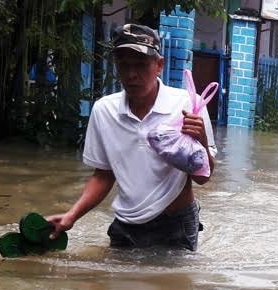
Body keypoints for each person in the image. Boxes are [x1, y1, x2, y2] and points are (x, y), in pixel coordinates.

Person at [47, 23, 217, 251]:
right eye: (123, 65)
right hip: (126, 223)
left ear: (159, 65)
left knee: (171, 286)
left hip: (175, 225)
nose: (131, 75)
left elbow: (203, 178)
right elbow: (103, 175)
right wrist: (71, 216)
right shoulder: (104, 111)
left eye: (141, 64)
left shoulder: (187, 105)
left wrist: (202, 139)